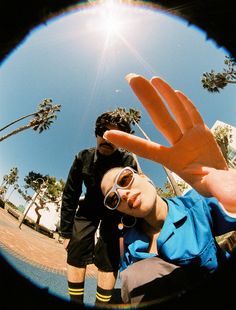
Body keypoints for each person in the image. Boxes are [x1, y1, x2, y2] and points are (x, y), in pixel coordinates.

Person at [100, 74, 236, 304]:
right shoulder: (129, 244)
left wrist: (227, 186)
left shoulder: (196, 204)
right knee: (135, 275)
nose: (122, 194)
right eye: (113, 199)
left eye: (123, 181)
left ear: (145, 178)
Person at [60, 110, 139, 305]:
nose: (106, 138)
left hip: (115, 211)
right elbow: (70, 194)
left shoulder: (128, 161)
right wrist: (66, 232)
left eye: (114, 135)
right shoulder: (82, 157)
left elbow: (134, 196)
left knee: (110, 253)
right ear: (96, 133)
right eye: (103, 131)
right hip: (89, 207)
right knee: (76, 246)